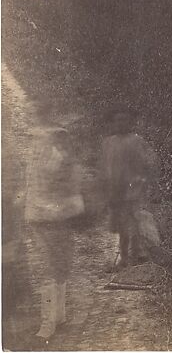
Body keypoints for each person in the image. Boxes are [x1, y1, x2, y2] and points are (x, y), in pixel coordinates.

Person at [24, 126, 84, 341]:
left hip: (56, 217)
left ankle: (52, 319)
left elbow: (71, 192)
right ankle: (53, 318)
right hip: (43, 217)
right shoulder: (44, 161)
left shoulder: (65, 163)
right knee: (51, 267)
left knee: (55, 267)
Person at [100, 108, 159, 270]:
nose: (121, 123)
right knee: (121, 225)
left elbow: (150, 161)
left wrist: (144, 179)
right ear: (113, 123)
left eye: (125, 120)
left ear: (130, 122)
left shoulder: (137, 141)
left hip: (134, 188)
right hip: (115, 189)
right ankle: (124, 257)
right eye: (118, 120)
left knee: (135, 223)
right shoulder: (108, 142)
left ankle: (137, 255)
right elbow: (105, 167)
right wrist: (106, 188)